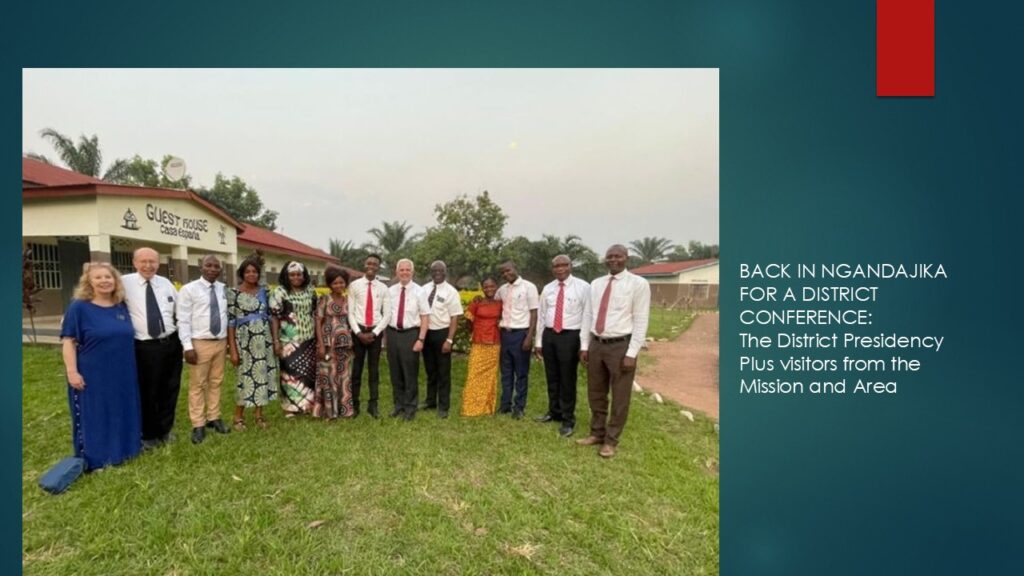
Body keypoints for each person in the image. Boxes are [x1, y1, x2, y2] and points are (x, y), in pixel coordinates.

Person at [60, 262, 142, 470]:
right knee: (97, 413)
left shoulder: (120, 306)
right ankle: (97, 457)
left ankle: (125, 450)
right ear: (89, 282)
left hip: (123, 371)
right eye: (98, 277)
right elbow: (68, 341)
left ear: (115, 281)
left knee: (121, 409)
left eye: (108, 277)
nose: (104, 281)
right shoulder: (79, 307)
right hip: (94, 372)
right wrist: (72, 371)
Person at [577, 245, 651, 458]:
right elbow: (588, 315)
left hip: (621, 346)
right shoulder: (596, 284)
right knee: (596, 392)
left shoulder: (638, 284)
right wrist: (585, 346)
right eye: (609, 256)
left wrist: (632, 352)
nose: (613, 260)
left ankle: (611, 440)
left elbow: (641, 319)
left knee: (620, 395)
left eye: (617, 256)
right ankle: (597, 433)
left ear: (627, 258)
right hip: (597, 344)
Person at [122, 247, 182, 450]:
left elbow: (179, 309)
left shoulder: (165, 283)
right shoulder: (124, 283)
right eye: (143, 261)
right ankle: (148, 434)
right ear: (135, 263)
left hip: (171, 344)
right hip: (144, 347)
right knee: (148, 391)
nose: (148, 266)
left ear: (158, 263)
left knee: (170, 388)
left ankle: (165, 430)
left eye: (152, 262)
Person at [533, 255, 591, 437]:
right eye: (556, 266)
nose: (560, 269)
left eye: (564, 265)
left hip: (570, 336)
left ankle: (568, 419)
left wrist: (584, 345)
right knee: (552, 376)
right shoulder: (548, 289)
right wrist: (539, 342)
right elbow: (542, 316)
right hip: (550, 335)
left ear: (570, 266)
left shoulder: (583, 287)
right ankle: (554, 412)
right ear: (552, 269)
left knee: (567, 378)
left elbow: (587, 317)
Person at [178, 255, 230, 445]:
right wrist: (187, 346)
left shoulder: (223, 289)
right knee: (198, 385)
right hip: (199, 343)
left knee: (216, 381)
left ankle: (214, 418)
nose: (213, 269)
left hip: (220, 342)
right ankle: (198, 424)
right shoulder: (188, 290)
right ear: (201, 267)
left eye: (217, 266)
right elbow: (183, 320)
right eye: (209, 265)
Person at [227, 255, 277, 431]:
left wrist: (276, 341)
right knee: (245, 377)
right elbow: (231, 323)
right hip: (245, 342)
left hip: (264, 341)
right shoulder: (233, 293)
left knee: (262, 375)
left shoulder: (265, 291)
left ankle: (258, 415)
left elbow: (271, 318)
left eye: (254, 271)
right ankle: (238, 416)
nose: (251, 274)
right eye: (248, 271)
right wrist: (233, 349)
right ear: (242, 273)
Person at [270, 261, 318, 416]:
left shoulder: (310, 291)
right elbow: (275, 318)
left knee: (307, 373)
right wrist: (276, 341)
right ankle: (289, 408)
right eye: (292, 275)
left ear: (304, 276)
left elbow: (315, 313)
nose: (296, 277)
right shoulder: (280, 292)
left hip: (309, 339)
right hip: (288, 340)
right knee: (289, 374)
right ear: (286, 275)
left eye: (299, 274)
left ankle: (307, 406)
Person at [347, 254, 391, 418]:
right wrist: (358, 333)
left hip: (375, 333)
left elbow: (386, 315)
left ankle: (373, 406)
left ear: (378, 267)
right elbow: (350, 313)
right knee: (356, 370)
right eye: (369, 263)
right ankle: (355, 406)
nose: (371, 265)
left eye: (375, 264)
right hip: (358, 331)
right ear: (364, 265)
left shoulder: (383, 288)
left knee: (374, 371)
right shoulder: (354, 286)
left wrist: (374, 332)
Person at [386, 259, 430, 421]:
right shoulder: (390, 291)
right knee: (395, 372)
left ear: (412, 272)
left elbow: (425, 317)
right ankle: (399, 405)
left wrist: (421, 339)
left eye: (407, 270)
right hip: (392, 334)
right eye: (401, 270)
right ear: (396, 272)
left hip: (411, 335)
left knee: (410, 373)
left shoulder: (420, 292)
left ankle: (410, 407)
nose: (404, 272)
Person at [496, 261, 539, 419]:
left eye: (508, 270)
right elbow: (494, 305)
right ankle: (505, 404)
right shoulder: (502, 290)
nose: (506, 274)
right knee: (506, 373)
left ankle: (519, 407)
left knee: (521, 373)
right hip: (505, 335)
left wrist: (529, 336)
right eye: (503, 272)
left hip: (521, 334)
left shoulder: (529, 287)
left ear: (516, 269)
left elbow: (534, 313)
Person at [420, 261, 463, 419]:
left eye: (440, 270)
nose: (437, 272)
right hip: (426, 333)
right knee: (430, 370)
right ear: (430, 272)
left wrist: (449, 340)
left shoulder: (451, 292)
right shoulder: (424, 289)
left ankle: (443, 406)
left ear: (445, 272)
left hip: (442, 333)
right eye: (434, 270)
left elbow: (454, 318)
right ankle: (430, 401)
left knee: (443, 372)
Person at [314, 266, 355, 420]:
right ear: (330, 284)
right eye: (335, 283)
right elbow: (318, 322)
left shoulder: (348, 300)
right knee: (328, 378)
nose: (339, 285)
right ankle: (330, 412)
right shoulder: (324, 299)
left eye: (341, 283)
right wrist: (321, 344)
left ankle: (346, 410)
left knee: (344, 377)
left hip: (345, 345)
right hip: (328, 344)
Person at [460, 276, 503, 417]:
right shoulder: (476, 302)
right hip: (478, 343)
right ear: (482, 288)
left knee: (490, 377)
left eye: (492, 286)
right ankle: (471, 408)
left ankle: (486, 408)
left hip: (494, 343)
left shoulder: (500, 303)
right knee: (474, 374)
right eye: (486, 286)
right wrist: (475, 331)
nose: (489, 289)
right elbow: (468, 320)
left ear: (496, 287)